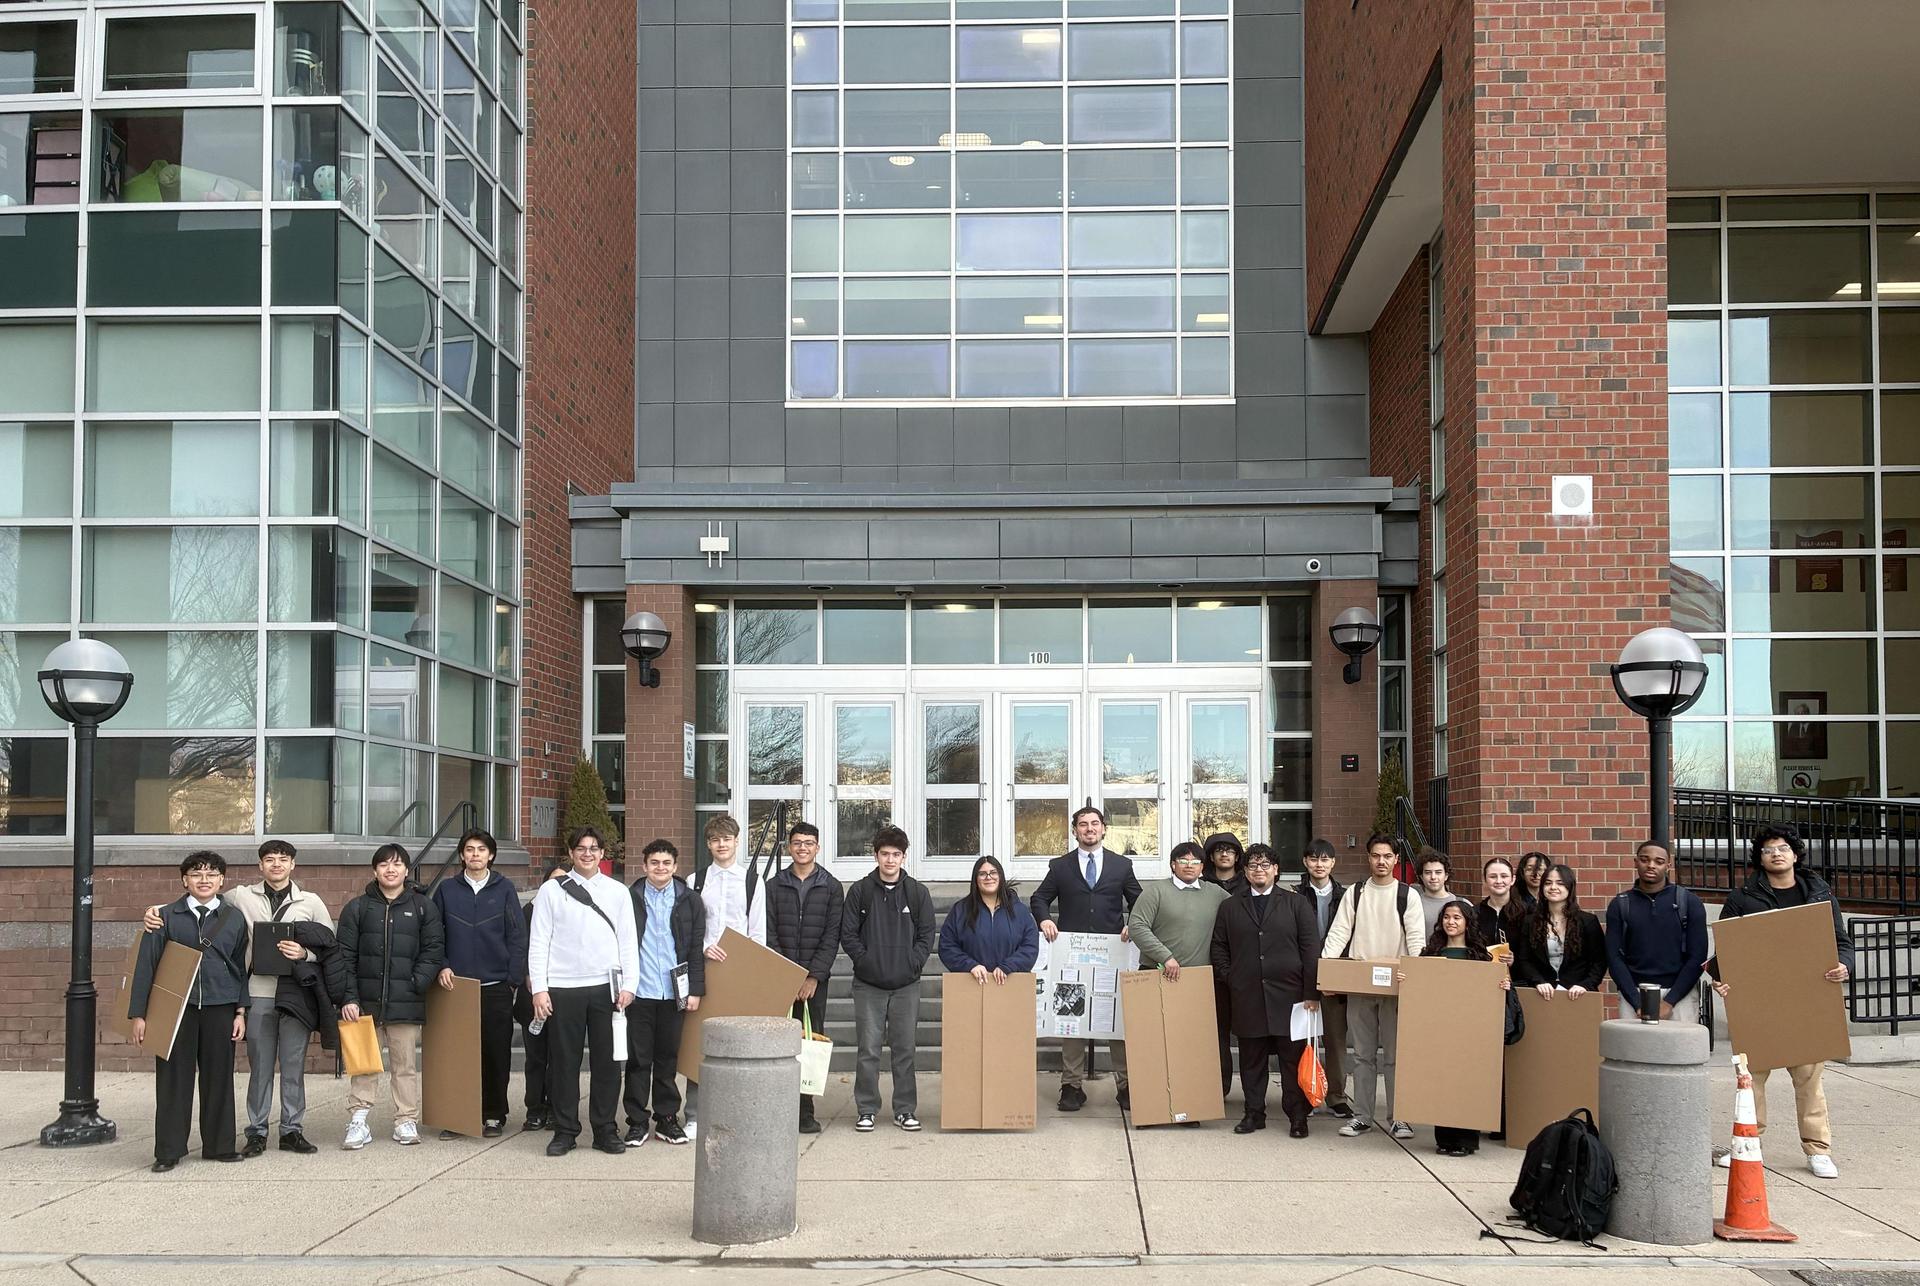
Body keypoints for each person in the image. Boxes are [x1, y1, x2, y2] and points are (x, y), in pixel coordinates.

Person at [144, 839, 334, 1157]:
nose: (276, 864)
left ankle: (292, 1130)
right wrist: (153, 912)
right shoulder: (240, 896)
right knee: (259, 1066)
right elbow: (200, 899)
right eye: (269, 859)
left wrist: (305, 953)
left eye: (283, 859)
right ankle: (257, 1131)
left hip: (295, 995)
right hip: (257, 991)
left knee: (292, 1065)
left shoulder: (311, 901)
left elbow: (329, 944)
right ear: (260, 865)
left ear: (293, 865)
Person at [1711, 824, 1853, 1179]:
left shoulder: (1819, 894)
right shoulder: (1743, 897)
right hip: (1758, 1002)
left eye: (1783, 848)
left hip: (1805, 1000)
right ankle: (1749, 1143)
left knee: (1809, 1080)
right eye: (1768, 849)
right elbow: (1726, 950)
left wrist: (1844, 966)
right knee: (1751, 1077)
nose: (1776, 853)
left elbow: (1842, 942)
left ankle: (1817, 1150)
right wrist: (1720, 980)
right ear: (1760, 858)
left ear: (1795, 854)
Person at [128, 851, 250, 1172]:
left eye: (211, 874)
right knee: (172, 1081)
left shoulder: (234, 918)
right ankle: (168, 1151)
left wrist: (241, 1011)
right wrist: (139, 1015)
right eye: (196, 874)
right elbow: (146, 967)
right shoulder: (165, 916)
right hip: (174, 1011)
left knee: (219, 1079)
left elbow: (240, 967)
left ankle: (220, 1146)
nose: (204, 880)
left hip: (220, 1007)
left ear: (222, 880)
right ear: (184, 880)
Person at [527, 826, 640, 1157]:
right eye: (581, 848)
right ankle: (565, 1130)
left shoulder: (618, 892)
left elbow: (628, 941)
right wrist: (540, 988)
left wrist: (630, 984)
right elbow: (539, 941)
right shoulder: (551, 890)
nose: (587, 853)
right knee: (564, 1063)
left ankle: (605, 1129)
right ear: (571, 853)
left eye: (594, 848)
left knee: (607, 1063)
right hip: (563, 987)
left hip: (607, 987)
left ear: (603, 853)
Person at [331, 843, 445, 1150]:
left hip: (405, 1001)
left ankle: (405, 1120)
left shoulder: (423, 906)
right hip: (363, 1004)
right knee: (363, 1064)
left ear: (407, 871)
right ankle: (358, 1120)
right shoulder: (357, 908)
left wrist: (416, 983)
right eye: (384, 864)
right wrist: (349, 998)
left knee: (404, 1065)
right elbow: (344, 957)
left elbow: (434, 950)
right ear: (374, 870)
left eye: (396, 864)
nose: (390, 869)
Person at [1031, 805, 1143, 1113]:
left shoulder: (1122, 865)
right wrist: (1044, 920)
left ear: (1104, 829)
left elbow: (1140, 901)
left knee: (1116, 1017)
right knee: (1072, 1018)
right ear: (1075, 830)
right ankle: (1071, 1086)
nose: (1089, 829)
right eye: (1083, 824)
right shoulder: (1060, 866)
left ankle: (1125, 1086)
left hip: (1112, 954)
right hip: (1072, 955)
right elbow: (1039, 898)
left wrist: (1133, 923)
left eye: (1094, 824)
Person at [1211, 842, 1322, 1138]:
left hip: (1291, 997)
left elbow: (1311, 949)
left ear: (1276, 870)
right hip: (1247, 995)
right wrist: (1231, 977)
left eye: (1264, 865)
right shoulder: (1230, 906)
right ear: (1245, 872)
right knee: (1251, 1060)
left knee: (1291, 1059)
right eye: (1252, 866)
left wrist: (1312, 992)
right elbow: (1219, 947)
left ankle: (1298, 1116)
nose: (1258, 871)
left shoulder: (1296, 904)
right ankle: (1254, 1113)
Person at [1320, 832, 1424, 1140]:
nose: (1381, 861)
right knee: (1363, 1055)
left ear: (1395, 859)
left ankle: (1399, 1117)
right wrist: (1326, 972)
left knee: (1394, 1056)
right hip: (1361, 984)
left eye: (1387, 856)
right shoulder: (1355, 893)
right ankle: (1362, 1116)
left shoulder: (1407, 895)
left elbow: (1416, 940)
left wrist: (1416, 978)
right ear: (1369, 858)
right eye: (1376, 856)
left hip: (1396, 986)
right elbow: (1338, 933)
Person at [430, 828, 527, 1138]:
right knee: (458, 1053)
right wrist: (442, 966)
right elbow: (435, 935)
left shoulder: (504, 889)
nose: (475, 854)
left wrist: (512, 980)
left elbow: (517, 936)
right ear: (462, 855)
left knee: (496, 1053)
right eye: (469, 849)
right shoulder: (447, 890)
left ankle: (494, 1114)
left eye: (481, 850)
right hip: (455, 986)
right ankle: (458, 1115)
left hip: (496, 985)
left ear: (491, 855)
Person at [842, 825, 936, 1133]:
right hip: (869, 985)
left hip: (906, 984)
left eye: (896, 855)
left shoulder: (917, 892)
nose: (890, 860)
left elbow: (926, 935)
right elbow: (849, 935)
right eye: (885, 854)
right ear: (875, 855)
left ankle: (905, 1109)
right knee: (868, 1050)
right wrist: (866, 962)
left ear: (904, 857)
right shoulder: (860, 890)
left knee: (904, 1049)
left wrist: (913, 963)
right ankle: (867, 1109)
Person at [1129, 840, 1231, 1101]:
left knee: (1192, 1045)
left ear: (1202, 866)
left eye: (1194, 861)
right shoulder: (1156, 892)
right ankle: (1151, 1100)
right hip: (1157, 974)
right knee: (1154, 1041)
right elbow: (1138, 926)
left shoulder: (1216, 894)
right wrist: (1166, 957)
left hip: (1197, 983)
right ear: (1173, 864)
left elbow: (1241, 916)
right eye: (1182, 861)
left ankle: (1192, 1101)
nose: (1189, 866)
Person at [1408, 898, 1511, 1156]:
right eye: (1446, 917)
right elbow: (1419, 988)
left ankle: (1466, 1141)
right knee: (1443, 1081)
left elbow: (1495, 988)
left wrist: (1503, 985)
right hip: (1440, 1029)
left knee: (1468, 1082)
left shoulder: (1484, 956)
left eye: (1457, 918)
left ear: (1467, 923)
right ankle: (1443, 1139)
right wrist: (1406, 978)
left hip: (1472, 1030)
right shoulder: (1430, 953)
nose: (1450, 922)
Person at [687, 813, 766, 1137]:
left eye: (727, 839)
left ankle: (738, 1115)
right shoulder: (695, 880)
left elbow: (758, 931)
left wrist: (751, 969)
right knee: (700, 1042)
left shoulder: (751, 880)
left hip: (739, 970)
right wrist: (705, 948)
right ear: (709, 844)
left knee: (739, 1042)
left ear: (737, 842)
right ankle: (694, 1115)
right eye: (716, 839)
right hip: (705, 968)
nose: (722, 844)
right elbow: (690, 927)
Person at [623, 839, 705, 1147]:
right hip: (639, 991)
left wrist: (695, 989)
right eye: (654, 863)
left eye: (666, 863)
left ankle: (667, 1118)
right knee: (638, 1059)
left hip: (675, 993)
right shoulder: (629, 898)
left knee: (668, 1058)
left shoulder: (689, 900)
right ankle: (636, 1120)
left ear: (675, 866)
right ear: (644, 866)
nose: (660, 868)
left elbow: (695, 948)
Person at [766, 821, 844, 1134]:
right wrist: (787, 975)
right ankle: (780, 1110)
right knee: (778, 1046)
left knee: (809, 1044)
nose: (802, 848)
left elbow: (832, 935)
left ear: (817, 848)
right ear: (788, 847)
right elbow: (768, 932)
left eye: (808, 843)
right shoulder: (774, 885)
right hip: (781, 978)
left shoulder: (831, 886)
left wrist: (813, 976)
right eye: (797, 842)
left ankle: (805, 1112)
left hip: (814, 983)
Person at [1604, 839, 1708, 1023]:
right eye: (1645, 859)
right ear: (1635, 862)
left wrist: (1670, 1001)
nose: (1651, 865)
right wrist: (1637, 1002)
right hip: (1634, 995)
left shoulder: (1689, 902)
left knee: (1680, 1051)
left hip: (1679, 995)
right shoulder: (1620, 904)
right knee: (1634, 1051)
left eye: (1659, 862)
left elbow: (1698, 957)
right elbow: (1613, 958)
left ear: (1668, 866)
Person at [1298, 838, 1355, 1119]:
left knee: (1335, 1040)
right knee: (1304, 1038)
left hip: (1336, 975)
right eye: (1313, 859)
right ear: (1305, 862)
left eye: (1324, 859)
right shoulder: (1295, 895)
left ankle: (1336, 1096)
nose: (1319, 865)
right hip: (1303, 975)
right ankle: (1307, 1093)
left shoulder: (1347, 896)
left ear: (1333, 863)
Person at [514, 855, 570, 1132]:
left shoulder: (576, 911)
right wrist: (532, 981)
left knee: (560, 1057)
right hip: (533, 994)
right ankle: (535, 1108)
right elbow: (521, 948)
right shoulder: (529, 911)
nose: (558, 885)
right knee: (536, 1057)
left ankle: (556, 1109)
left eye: (563, 880)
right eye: (554, 880)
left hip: (565, 993)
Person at [1511, 864, 1606, 998]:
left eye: (1560, 883)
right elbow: (1524, 959)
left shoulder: (1587, 921)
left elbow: (1599, 961)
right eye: (1548, 883)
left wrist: (1586, 984)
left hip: (1579, 993)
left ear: (1570, 887)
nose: (1553, 887)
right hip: (1541, 993)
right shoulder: (1530, 921)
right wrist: (1538, 982)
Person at [940, 854, 1040, 980]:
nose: (988, 877)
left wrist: (1008, 966)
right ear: (975, 879)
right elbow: (947, 946)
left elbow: (1030, 947)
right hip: (972, 984)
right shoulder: (960, 910)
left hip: (1010, 983)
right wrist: (970, 965)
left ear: (1000, 876)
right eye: (982, 874)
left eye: (993, 873)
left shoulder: (1019, 911)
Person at [1473, 856, 1524, 951]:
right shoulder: (1474, 912)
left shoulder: (1525, 912)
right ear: (1485, 879)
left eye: (1504, 876)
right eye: (1493, 877)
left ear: (1513, 879)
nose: (1499, 881)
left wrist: (1515, 960)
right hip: (1482, 965)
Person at [1416, 849, 1453, 938]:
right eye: (1428, 873)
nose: (1433, 877)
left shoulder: (1462, 903)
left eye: (1438, 872)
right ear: (1421, 876)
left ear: (1446, 876)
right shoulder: (1414, 903)